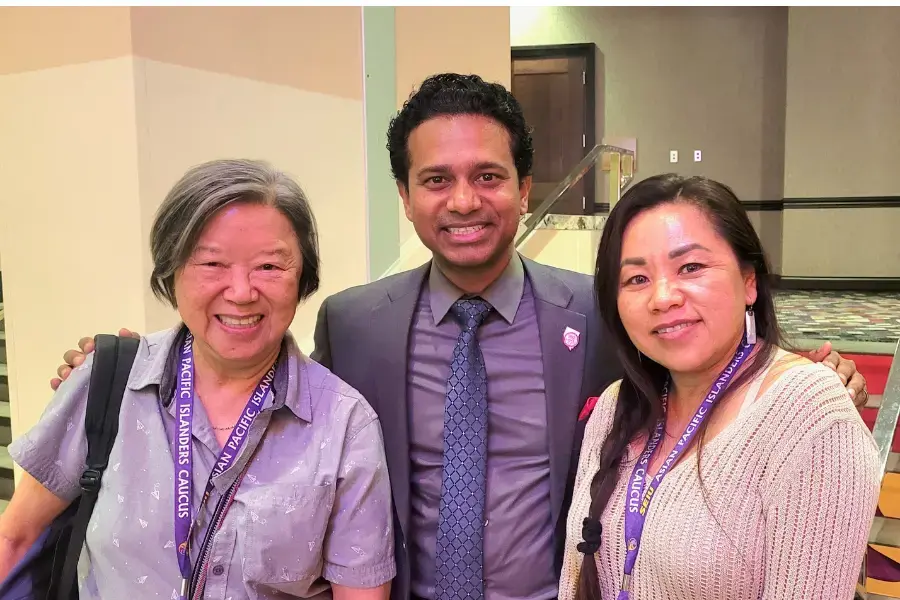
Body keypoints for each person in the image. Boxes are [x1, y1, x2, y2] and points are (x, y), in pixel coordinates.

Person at [49, 75, 869, 600]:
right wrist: (134, 362)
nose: (464, 201)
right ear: (406, 197)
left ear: (523, 187)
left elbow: (694, 362)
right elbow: (275, 414)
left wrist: (811, 370)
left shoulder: (604, 307)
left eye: (488, 176)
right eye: (436, 180)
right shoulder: (354, 320)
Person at [3, 159, 395, 599]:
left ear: (302, 277)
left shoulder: (344, 423)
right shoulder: (108, 381)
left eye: (270, 266)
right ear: (170, 273)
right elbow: (14, 539)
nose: (242, 292)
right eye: (212, 264)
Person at [560, 174, 881, 600]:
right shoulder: (617, 405)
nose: (663, 297)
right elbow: (575, 577)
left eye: (690, 267)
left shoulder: (809, 416)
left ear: (749, 281)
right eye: (636, 279)